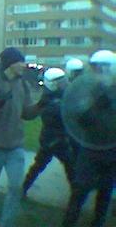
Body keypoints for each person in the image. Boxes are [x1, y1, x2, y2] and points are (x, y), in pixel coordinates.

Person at [0, 47, 40, 227]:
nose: (24, 65)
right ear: (11, 63)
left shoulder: (23, 84)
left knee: (16, 188)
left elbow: (27, 113)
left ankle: (7, 223)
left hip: (15, 147)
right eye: (21, 61)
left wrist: (41, 105)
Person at [61, 50, 116, 227]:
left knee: (105, 193)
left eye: (103, 68)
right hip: (90, 149)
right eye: (96, 68)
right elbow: (78, 118)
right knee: (79, 191)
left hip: (111, 150)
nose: (99, 72)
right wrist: (94, 108)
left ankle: (98, 223)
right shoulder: (88, 89)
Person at [22, 68, 75, 197]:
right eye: (60, 82)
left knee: (69, 169)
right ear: (52, 83)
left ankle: (77, 195)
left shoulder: (60, 96)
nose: (64, 84)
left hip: (56, 140)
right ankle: (23, 189)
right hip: (52, 141)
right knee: (41, 166)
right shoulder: (49, 100)